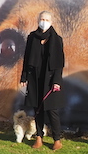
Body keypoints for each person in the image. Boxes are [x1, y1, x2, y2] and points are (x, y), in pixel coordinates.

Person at [20, 11, 65, 150]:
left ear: (51, 22)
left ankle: (57, 139)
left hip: (50, 79)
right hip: (34, 78)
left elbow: (59, 63)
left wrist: (57, 81)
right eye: (41, 19)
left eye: (46, 19)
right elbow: (27, 59)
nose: (43, 22)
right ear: (38, 20)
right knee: (37, 110)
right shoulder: (32, 37)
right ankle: (38, 137)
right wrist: (24, 77)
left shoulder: (57, 39)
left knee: (52, 110)